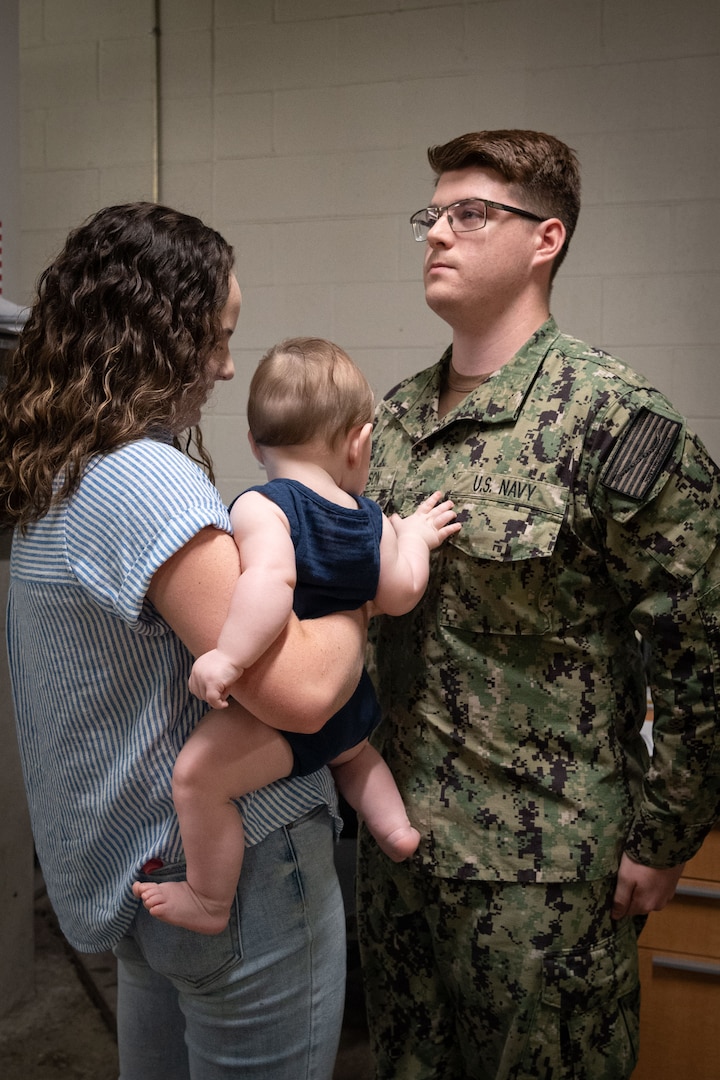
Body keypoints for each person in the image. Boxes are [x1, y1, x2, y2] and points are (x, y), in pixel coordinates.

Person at [356, 129, 720, 1080]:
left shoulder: (614, 420)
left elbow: (702, 642)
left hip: (543, 874)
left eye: (470, 213)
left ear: (545, 239)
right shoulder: (392, 420)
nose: (439, 233)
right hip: (398, 856)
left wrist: (665, 835)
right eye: (430, 215)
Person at [0, 203, 371, 1080]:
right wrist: (360, 582)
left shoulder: (57, 467)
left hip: (146, 870)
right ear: (157, 332)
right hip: (241, 869)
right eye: (215, 336)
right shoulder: (143, 478)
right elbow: (301, 692)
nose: (226, 365)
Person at [133, 336, 461, 934]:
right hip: (350, 700)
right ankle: (395, 829)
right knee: (355, 758)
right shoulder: (370, 519)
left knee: (197, 780)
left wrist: (229, 657)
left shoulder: (265, 506)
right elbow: (401, 592)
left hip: (272, 720)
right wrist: (413, 536)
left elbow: (270, 582)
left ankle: (210, 901)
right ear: (360, 444)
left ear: (255, 442)